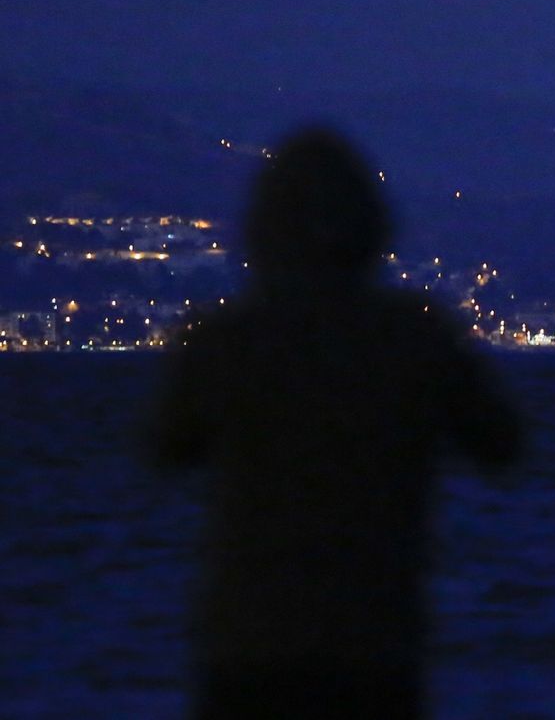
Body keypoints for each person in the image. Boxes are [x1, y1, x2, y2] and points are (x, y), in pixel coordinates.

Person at [149, 128, 521, 719]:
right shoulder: (417, 338)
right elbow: (504, 447)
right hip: (374, 646)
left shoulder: (227, 341)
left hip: (249, 648)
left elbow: (163, 450)